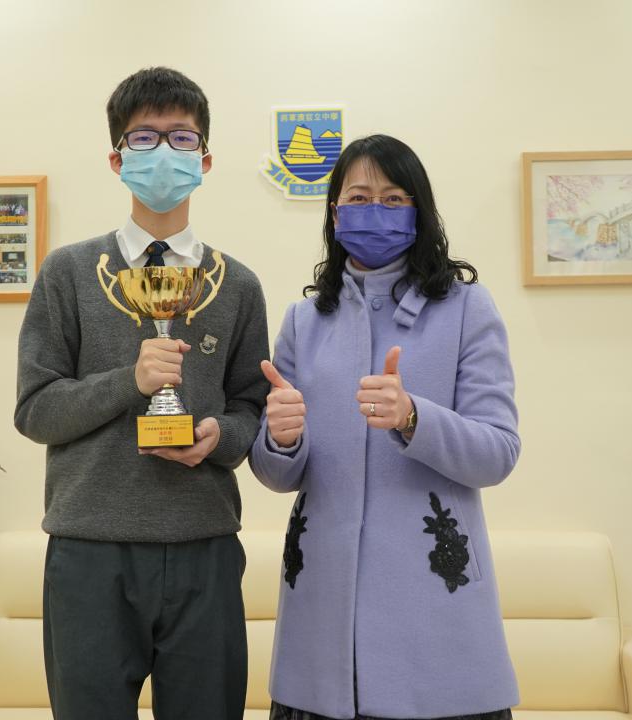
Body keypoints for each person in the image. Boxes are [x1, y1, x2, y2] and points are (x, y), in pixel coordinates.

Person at [15, 67, 270, 720]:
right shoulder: (68, 273)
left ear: (204, 160)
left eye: (181, 138)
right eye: (145, 137)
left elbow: (251, 408)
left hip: (205, 545)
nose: (164, 152)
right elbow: (36, 411)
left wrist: (218, 437)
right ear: (117, 158)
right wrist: (129, 381)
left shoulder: (237, 284)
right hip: (89, 550)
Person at [251, 134, 522, 720]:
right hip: (321, 621)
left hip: (436, 618)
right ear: (334, 212)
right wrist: (280, 438)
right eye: (359, 197)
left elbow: (498, 452)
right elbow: (277, 474)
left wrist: (413, 417)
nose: (375, 210)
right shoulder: (304, 320)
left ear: (419, 211)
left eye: (394, 198)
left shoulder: (467, 308)